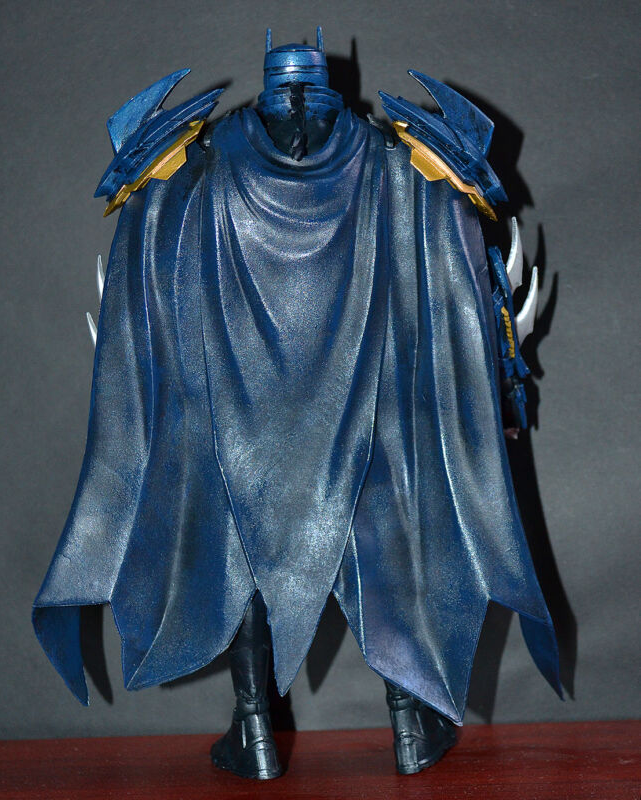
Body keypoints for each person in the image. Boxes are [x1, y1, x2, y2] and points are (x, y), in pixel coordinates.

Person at [33, 28, 561, 779]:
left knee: (243, 547)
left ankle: (255, 734)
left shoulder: (196, 163)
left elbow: (147, 281)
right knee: (378, 537)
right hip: (361, 410)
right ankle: (409, 729)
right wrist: (497, 386)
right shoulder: (398, 161)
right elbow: (471, 289)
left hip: (244, 417)